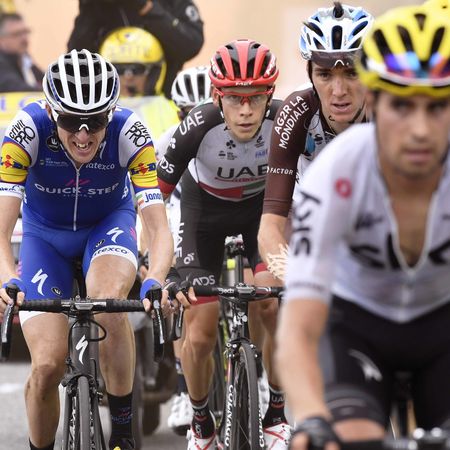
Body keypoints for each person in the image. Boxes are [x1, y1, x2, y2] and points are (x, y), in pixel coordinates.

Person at [276, 5, 450, 449]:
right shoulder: (336, 171)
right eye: (401, 106)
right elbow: (298, 330)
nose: (419, 130)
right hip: (357, 331)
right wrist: (310, 419)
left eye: (437, 107)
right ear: (374, 100)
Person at [0, 49, 177, 450]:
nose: (83, 136)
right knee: (47, 365)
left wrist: (155, 278)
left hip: (107, 226)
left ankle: (124, 432)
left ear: (110, 113)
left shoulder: (130, 131)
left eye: (95, 122)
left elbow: (157, 227)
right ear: (51, 111)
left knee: (108, 302)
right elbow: (2, 226)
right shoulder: (26, 130)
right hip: (44, 237)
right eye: (70, 121)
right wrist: (7, 277)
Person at [157, 39, 292, 449]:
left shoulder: (286, 119)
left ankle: (277, 414)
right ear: (217, 97)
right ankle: (201, 422)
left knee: (271, 304)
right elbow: (153, 200)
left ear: (270, 94)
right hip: (203, 218)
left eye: (256, 98)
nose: (246, 110)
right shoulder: (197, 125)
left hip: (261, 217)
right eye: (235, 98)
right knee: (200, 332)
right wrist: (160, 265)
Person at [257, 2, 373, 280]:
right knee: (266, 287)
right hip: (307, 211)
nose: (339, 91)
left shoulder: (391, 113)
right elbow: (269, 228)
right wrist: (296, 280)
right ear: (310, 73)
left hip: (370, 211)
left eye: (352, 73)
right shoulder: (297, 111)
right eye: (325, 74)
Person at [159, 65, 212, 436]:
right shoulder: (167, 141)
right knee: (181, 295)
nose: (194, 123)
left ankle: (255, 371)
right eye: (185, 114)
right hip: (184, 216)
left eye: (202, 112)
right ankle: (182, 387)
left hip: (227, 215)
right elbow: (152, 202)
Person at [67, 0, 204, 98]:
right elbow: (76, 59)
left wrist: (146, 7)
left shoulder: (171, 3)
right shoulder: (96, 7)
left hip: (162, 101)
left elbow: (191, 44)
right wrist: (89, 8)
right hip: (112, 103)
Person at [99, 26, 179, 140]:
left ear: (154, 73)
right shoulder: (93, 113)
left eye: (137, 69)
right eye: (119, 69)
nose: (128, 77)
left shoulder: (175, 112)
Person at [0, 12, 44, 92]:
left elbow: (44, 79)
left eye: (25, 32)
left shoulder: (24, 58)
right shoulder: (2, 64)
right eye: (17, 34)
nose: (24, 38)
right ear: (1, 40)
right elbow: (16, 87)